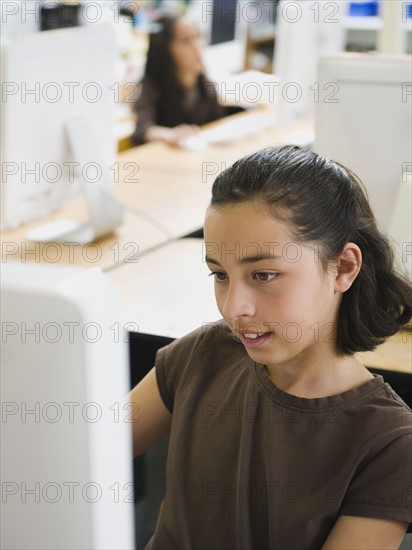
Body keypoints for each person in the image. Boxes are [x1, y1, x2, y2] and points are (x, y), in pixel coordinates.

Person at [129, 145, 412, 549]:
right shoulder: (203, 354)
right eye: (220, 275)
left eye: (263, 274)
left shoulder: (389, 444)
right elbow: (81, 452)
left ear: (344, 268)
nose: (234, 308)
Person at [131, 13, 226, 146]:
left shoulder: (206, 85)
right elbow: (143, 130)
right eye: (185, 41)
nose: (196, 46)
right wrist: (172, 135)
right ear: (166, 50)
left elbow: (218, 124)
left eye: (197, 37)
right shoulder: (151, 86)